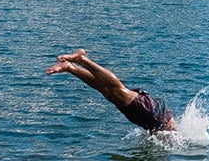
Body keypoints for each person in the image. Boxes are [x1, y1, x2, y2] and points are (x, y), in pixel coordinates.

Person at [47, 50, 175, 133]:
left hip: (148, 117)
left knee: (107, 91)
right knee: (117, 89)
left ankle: (70, 67)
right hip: (151, 114)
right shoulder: (175, 136)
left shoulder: (169, 133)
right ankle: (83, 60)